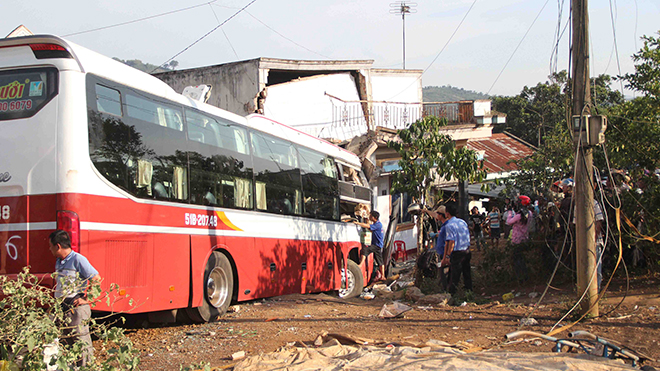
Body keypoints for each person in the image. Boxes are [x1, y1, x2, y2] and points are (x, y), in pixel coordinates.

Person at [49, 229, 101, 367]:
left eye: (51, 246)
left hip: (76, 308)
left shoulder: (78, 259)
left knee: (81, 341)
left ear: (58, 246)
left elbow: (96, 278)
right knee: (66, 341)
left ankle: (86, 368)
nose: (50, 249)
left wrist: (87, 298)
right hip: (63, 307)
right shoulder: (59, 262)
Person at [441, 202, 472, 295]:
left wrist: (447, 256)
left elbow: (451, 242)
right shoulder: (462, 222)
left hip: (457, 253)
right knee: (467, 273)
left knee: (455, 275)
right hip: (466, 250)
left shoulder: (449, 225)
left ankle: (452, 294)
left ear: (447, 213)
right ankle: (469, 291)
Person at [348, 211, 385, 281]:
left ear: (375, 218)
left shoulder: (378, 224)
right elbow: (371, 229)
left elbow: (368, 226)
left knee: (365, 250)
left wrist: (358, 223)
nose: (370, 217)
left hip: (376, 245)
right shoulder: (376, 224)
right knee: (380, 261)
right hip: (378, 245)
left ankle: (360, 265)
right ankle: (383, 276)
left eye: (371, 216)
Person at [424, 205, 450, 291]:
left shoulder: (447, 226)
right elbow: (434, 215)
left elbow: (448, 242)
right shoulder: (444, 223)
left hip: (445, 253)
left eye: (438, 214)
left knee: (445, 272)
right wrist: (425, 211)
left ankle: (446, 291)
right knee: (443, 272)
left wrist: (446, 256)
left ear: (441, 215)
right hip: (442, 252)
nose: (436, 216)